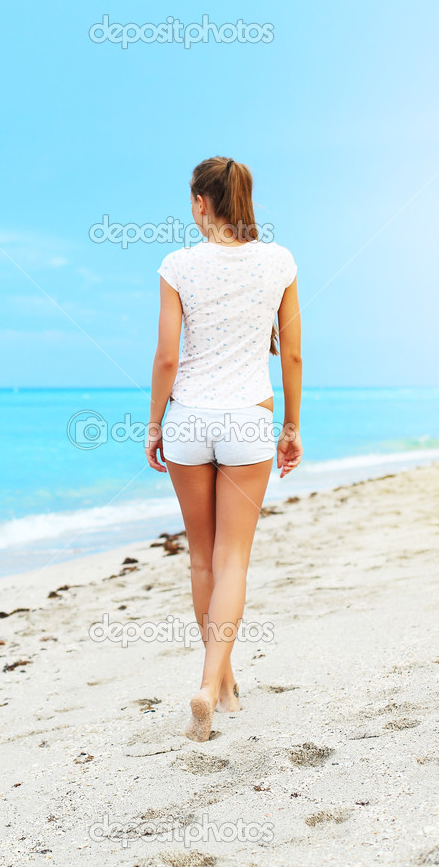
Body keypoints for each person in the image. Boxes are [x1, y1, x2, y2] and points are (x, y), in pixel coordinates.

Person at [145, 155, 303, 742]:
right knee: (234, 560)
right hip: (247, 422)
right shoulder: (279, 261)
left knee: (204, 560)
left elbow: (166, 357)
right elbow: (290, 354)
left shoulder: (177, 265)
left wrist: (155, 423)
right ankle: (215, 686)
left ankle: (220, 684)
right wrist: (291, 426)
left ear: (199, 203)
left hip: (189, 419)